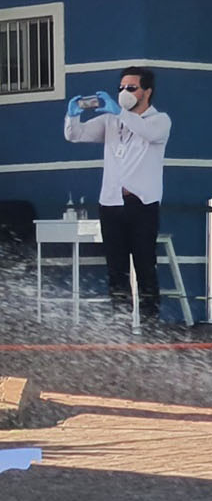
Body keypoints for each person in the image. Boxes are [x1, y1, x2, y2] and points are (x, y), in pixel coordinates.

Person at [64, 66, 170, 322]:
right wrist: (72, 116)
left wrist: (119, 111)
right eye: (121, 88)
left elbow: (147, 133)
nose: (124, 92)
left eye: (131, 88)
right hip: (111, 204)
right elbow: (75, 135)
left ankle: (150, 323)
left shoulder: (160, 120)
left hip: (142, 204)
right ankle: (120, 324)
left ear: (147, 92)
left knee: (145, 266)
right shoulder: (111, 121)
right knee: (116, 269)